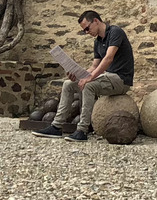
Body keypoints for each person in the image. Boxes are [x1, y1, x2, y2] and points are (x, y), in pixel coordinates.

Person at [34, 9, 134, 141]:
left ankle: (82, 130)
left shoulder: (115, 32)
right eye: (84, 31)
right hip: (106, 78)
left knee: (89, 86)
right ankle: (56, 127)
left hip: (121, 79)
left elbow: (108, 58)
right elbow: (94, 66)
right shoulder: (97, 41)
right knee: (68, 84)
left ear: (96, 21)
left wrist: (89, 78)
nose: (87, 32)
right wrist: (79, 75)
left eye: (87, 28)